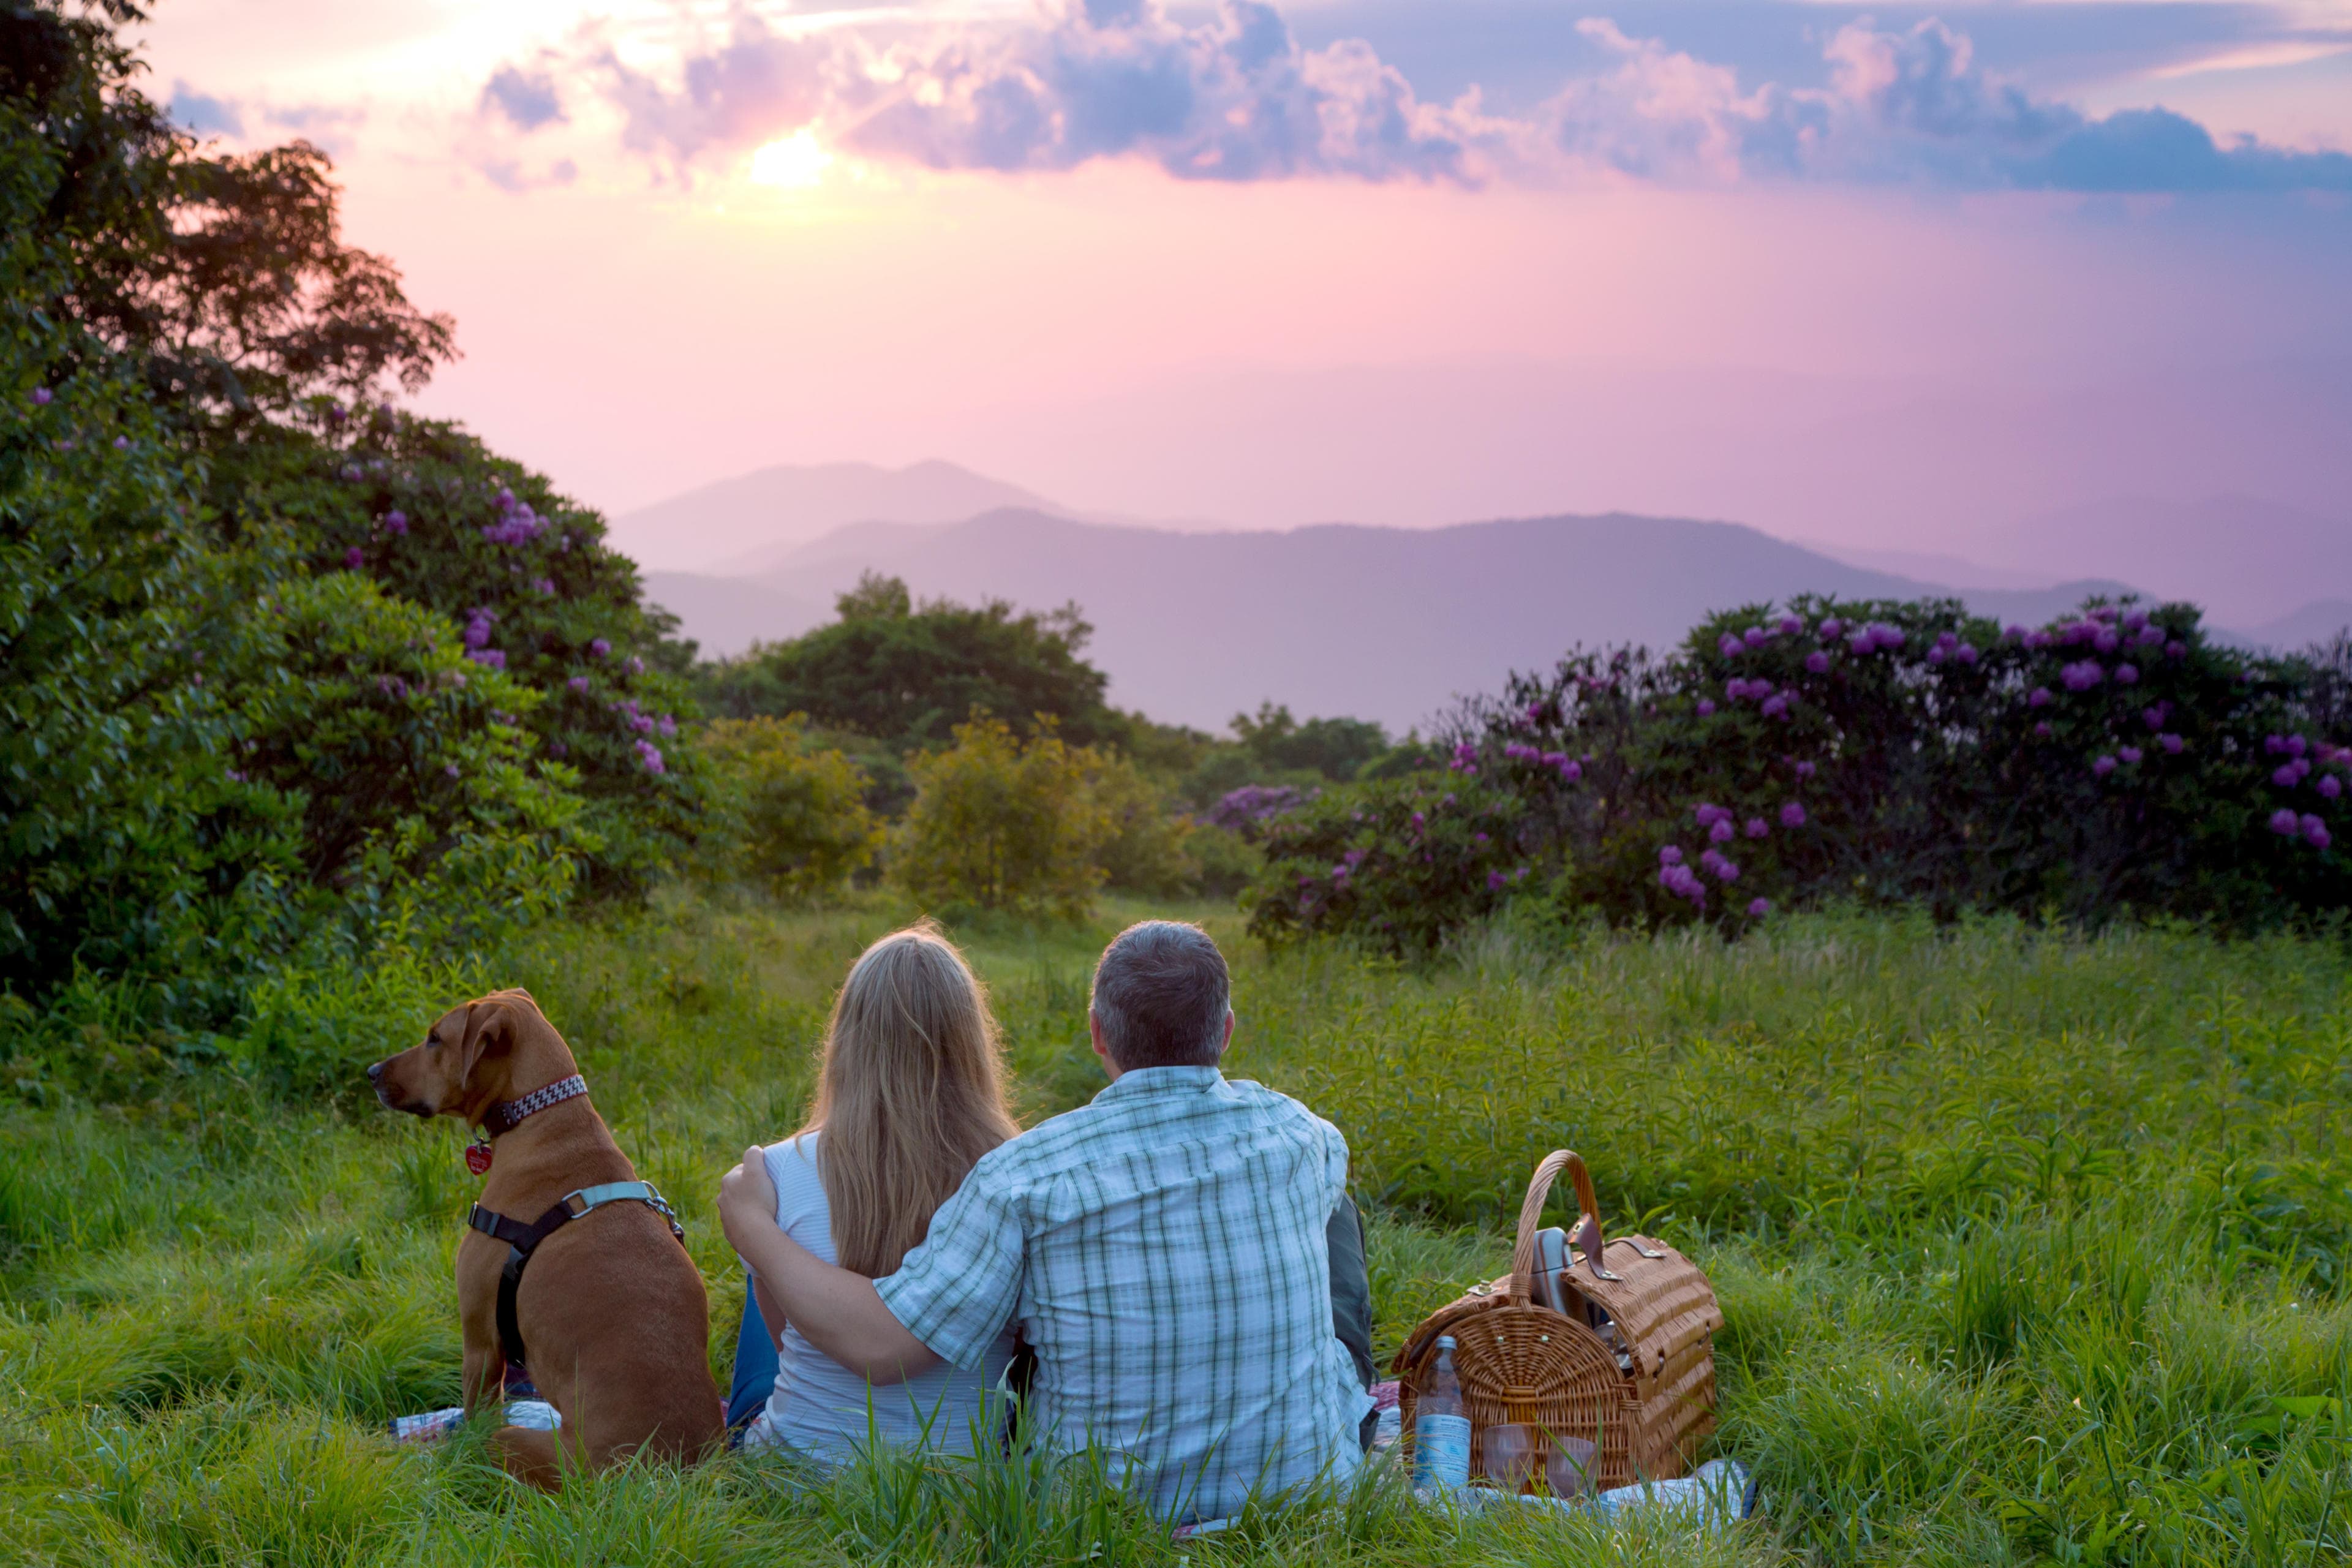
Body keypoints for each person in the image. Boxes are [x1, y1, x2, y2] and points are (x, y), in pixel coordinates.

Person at [720, 920, 1374, 1521]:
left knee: (773, 1303)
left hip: (1085, 1510)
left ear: (1098, 1032)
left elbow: (878, 1346)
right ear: (1225, 1031)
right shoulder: (1307, 1134)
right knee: (1334, 1213)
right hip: (1299, 1490)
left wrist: (755, 1228)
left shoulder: (1027, 1178)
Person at [723, 922, 1023, 1461]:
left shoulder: (776, 1172)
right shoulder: (1017, 1175)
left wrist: (758, 1234)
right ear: (972, 1042)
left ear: (845, 1039)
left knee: (768, 1255)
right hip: (960, 1483)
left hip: (794, 1472)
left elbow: (787, 1334)